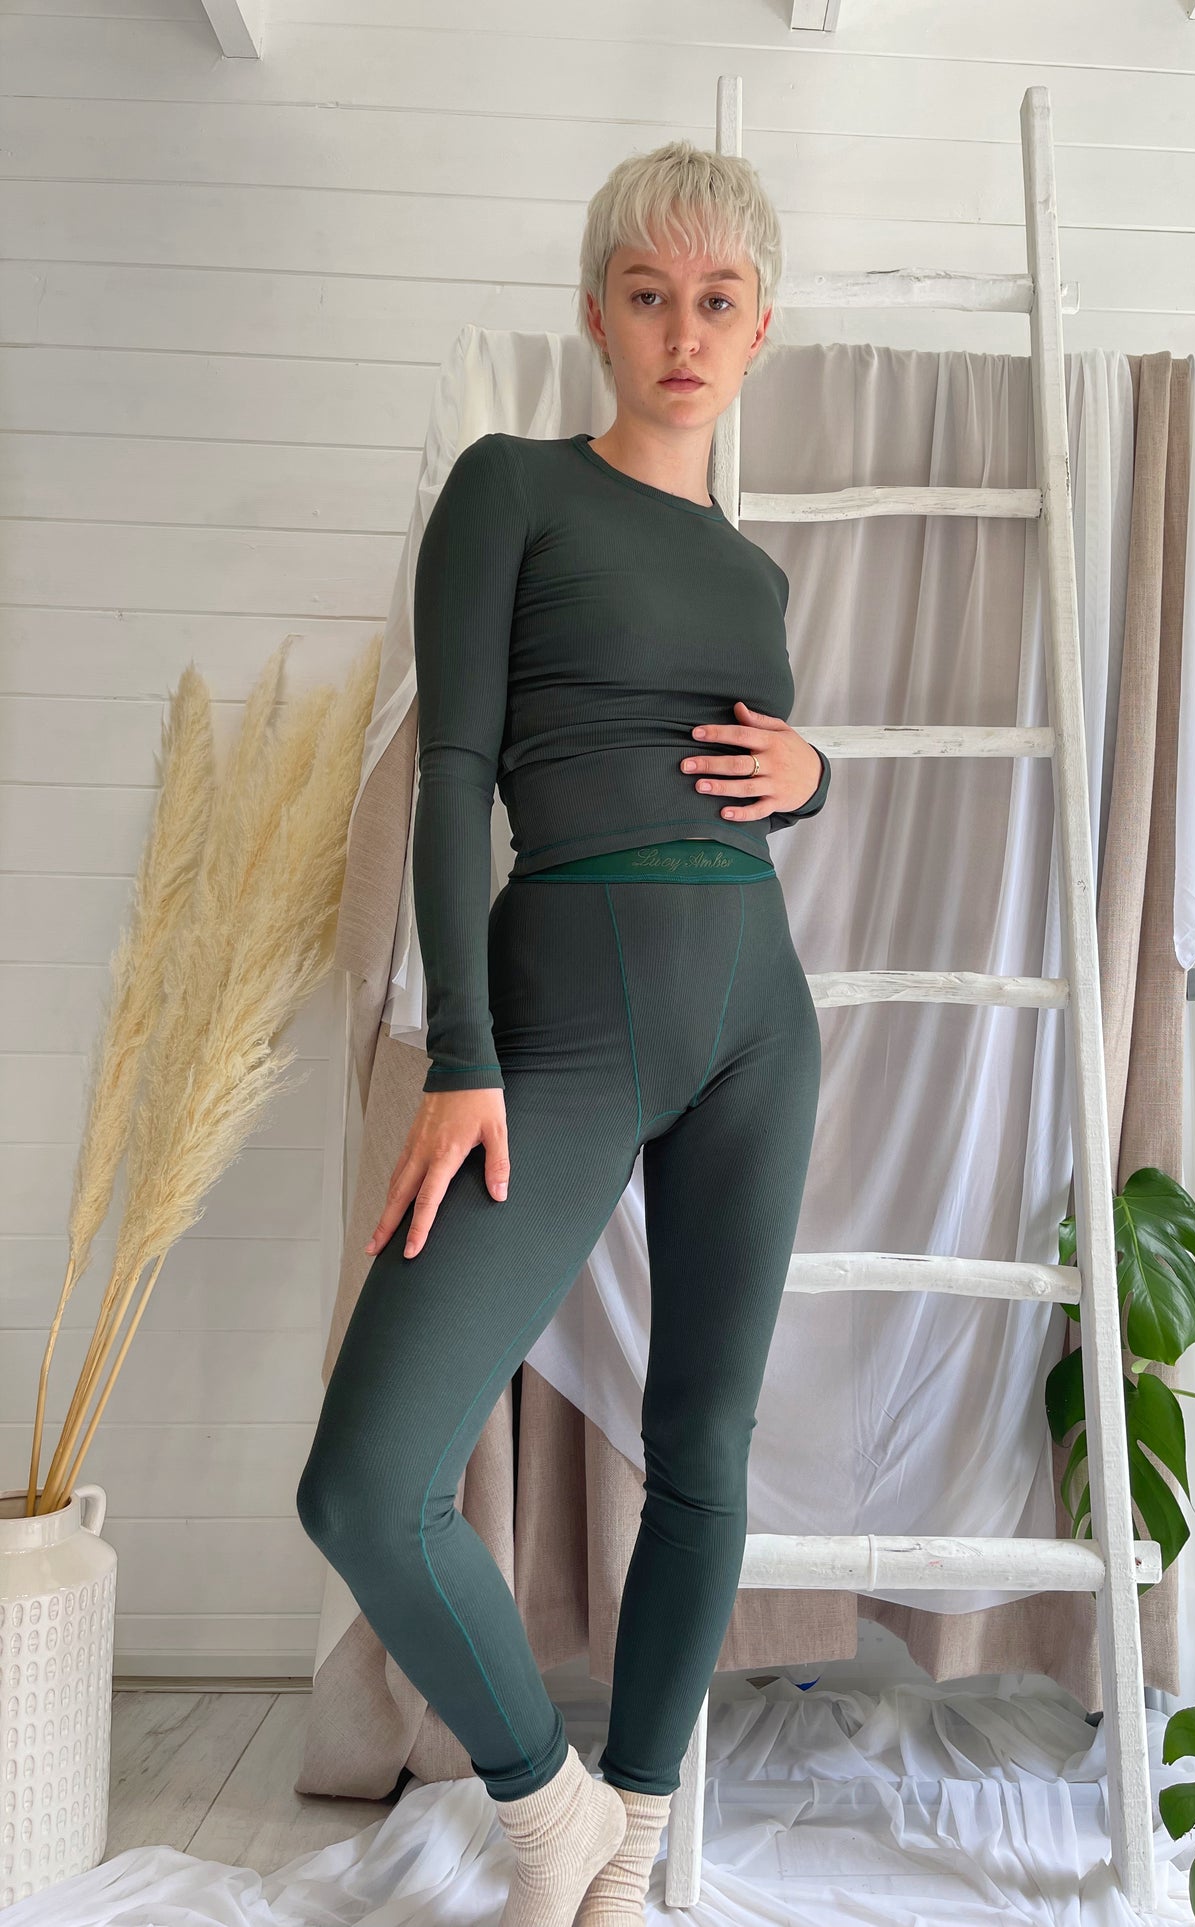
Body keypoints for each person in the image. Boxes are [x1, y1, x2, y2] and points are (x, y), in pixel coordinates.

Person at [296, 139, 830, 1927]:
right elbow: (453, 773)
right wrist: (463, 1052)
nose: (684, 331)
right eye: (648, 295)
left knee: (706, 1448)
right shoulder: (510, 489)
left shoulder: (753, 574)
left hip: (756, 1019)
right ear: (596, 314)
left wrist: (817, 775)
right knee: (370, 1481)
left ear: (759, 329)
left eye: (718, 301)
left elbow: (758, 777)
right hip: (557, 1025)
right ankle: (548, 1810)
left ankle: (633, 1851)